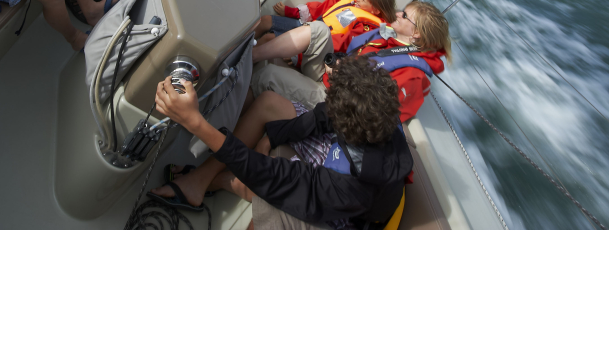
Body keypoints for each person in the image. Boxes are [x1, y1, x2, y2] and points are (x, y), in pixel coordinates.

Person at [148, 55, 414, 229]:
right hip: (342, 156)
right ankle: (199, 181)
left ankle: (220, 181)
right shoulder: (376, 114)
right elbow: (321, 116)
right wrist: (272, 136)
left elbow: (272, 175)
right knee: (270, 104)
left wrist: (195, 122)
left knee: (273, 209)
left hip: (343, 212)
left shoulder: (350, 185)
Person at [253, 0, 451, 123]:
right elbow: (342, 42)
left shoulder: (412, 76)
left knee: (269, 75)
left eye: (405, 16)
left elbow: (376, 115)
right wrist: (299, 56)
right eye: (402, 10)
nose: (398, 14)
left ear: (416, 34)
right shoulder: (385, 35)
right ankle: (252, 55)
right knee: (318, 30)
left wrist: (344, 81)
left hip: (334, 101)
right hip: (330, 75)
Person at [251, 0, 397, 78]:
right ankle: (242, 48)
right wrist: (292, 12)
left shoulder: (366, 27)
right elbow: (322, 9)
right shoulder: (353, 4)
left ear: (375, 11)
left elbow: (341, 44)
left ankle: (245, 67)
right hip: (310, 27)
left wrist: (299, 56)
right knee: (265, 21)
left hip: (317, 47)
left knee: (269, 39)